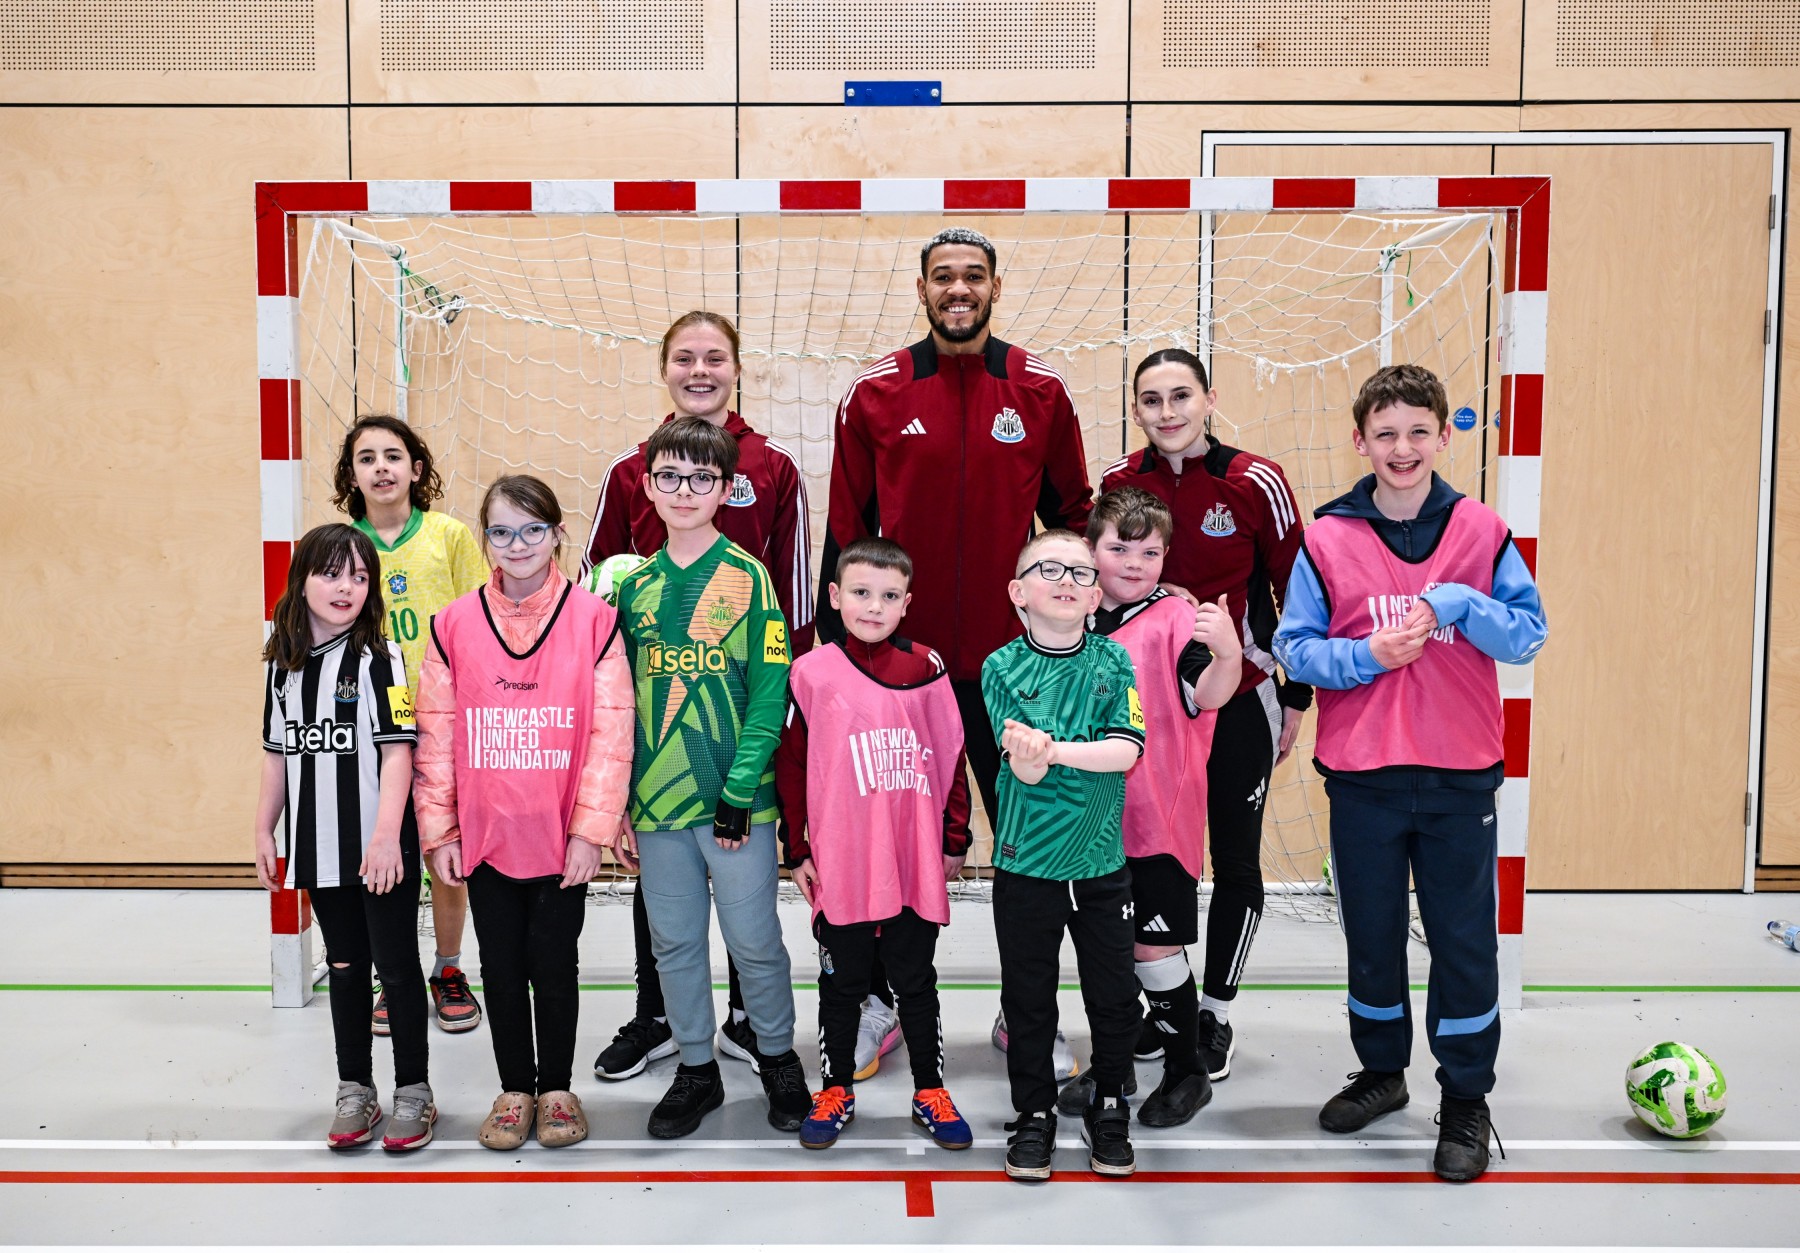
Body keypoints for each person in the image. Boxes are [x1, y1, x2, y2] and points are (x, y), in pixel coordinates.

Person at [819, 226, 1095, 1081]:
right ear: (923, 289)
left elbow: (1073, 524)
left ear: (995, 287)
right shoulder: (874, 393)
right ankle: (876, 1006)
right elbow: (844, 535)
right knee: (884, 840)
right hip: (902, 674)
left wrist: (1067, 641)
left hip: (1017, 672)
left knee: (1030, 848)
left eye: (974, 275)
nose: (959, 289)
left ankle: (1026, 1010)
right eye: (944, 276)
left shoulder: (1041, 390)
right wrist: (844, 662)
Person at [1272, 363, 1547, 1182]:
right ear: (1360, 441)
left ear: (1443, 436)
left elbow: (1527, 634)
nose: (1402, 448)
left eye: (1417, 431)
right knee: (1372, 933)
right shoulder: (1326, 537)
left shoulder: (1481, 529)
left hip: (1461, 776)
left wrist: (1464, 603)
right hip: (1364, 775)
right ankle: (1382, 1071)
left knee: (1464, 941)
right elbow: (1295, 648)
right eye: (1385, 433)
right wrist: (1365, 655)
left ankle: (1465, 1096)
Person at [578, 311, 837, 1084]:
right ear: (665, 369)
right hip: (654, 751)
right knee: (669, 912)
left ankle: (758, 1031)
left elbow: (792, 603)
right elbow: (593, 614)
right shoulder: (629, 469)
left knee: (751, 917)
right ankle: (662, 1020)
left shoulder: (774, 468)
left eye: (715, 357)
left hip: (744, 723)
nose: (700, 370)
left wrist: (783, 712)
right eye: (684, 357)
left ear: (737, 369)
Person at [1100, 347, 1312, 1081]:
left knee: (1235, 857)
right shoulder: (1118, 482)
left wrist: (1294, 694)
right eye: (1151, 399)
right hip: (1146, 710)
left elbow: (1298, 591)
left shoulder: (1255, 480)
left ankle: (1214, 1011)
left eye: (1181, 395)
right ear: (1136, 410)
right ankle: (1160, 1010)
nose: (1168, 412)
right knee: (1143, 855)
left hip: (1238, 694)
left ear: (1209, 399)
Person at [413, 475, 635, 1150]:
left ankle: (557, 1089)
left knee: (555, 964)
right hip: (487, 836)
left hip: (561, 836)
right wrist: (441, 830)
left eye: (533, 529)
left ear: (557, 534)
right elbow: (436, 734)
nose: (518, 544)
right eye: (503, 531)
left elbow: (611, 731)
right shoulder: (453, 624)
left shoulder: (593, 619)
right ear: (485, 539)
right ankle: (514, 1088)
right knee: (501, 967)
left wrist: (591, 830)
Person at [612, 417, 811, 1140]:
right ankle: (697, 1067)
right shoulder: (632, 588)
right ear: (648, 486)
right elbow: (617, 702)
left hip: (737, 803)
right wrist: (617, 802)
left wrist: (741, 789)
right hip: (656, 803)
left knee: (754, 940)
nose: (685, 490)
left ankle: (778, 1055)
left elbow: (770, 691)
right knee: (674, 942)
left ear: (726, 489)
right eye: (670, 476)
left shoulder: (749, 577)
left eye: (702, 478)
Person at [774, 537, 975, 1151]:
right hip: (844, 857)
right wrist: (796, 847)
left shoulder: (927, 667)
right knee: (843, 984)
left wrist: (955, 838)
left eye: (889, 596)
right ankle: (835, 1088)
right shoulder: (810, 672)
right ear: (835, 597)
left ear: (907, 603)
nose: (874, 606)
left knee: (915, 979)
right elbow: (792, 764)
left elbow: (951, 756)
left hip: (912, 855)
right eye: (861, 593)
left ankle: (930, 1089)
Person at [1052, 488, 1242, 1128]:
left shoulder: (1176, 618)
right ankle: (1115, 1067)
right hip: (1085, 824)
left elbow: (1208, 692)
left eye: (1150, 552)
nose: (1134, 563)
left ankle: (1187, 1071)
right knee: (1106, 953)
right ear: (1091, 549)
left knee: (1154, 952)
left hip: (1155, 820)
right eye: (1119, 549)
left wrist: (1229, 654)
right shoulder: (1071, 616)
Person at [253, 523, 434, 1151]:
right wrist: (263, 829)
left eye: (360, 576)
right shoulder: (281, 665)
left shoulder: (383, 658)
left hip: (380, 850)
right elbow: (276, 754)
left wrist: (385, 837)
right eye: (331, 573)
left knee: (397, 968)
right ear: (301, 580)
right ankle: (355, 1088)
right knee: (345, 966)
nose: (346, 587)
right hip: (318, 848)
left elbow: (398, 753)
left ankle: (414, 1091)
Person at [983, 530, 1145, 1182]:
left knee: (1114, 995)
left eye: (1081, 572)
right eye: (1048, 569)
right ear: (1018, 592)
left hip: (1102, 866)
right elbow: (1020, 771)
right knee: (1029, 998)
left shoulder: (1114, 660)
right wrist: (1032, 758)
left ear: (1096, 597)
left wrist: (1050, 749)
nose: (1067, 580)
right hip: (1027, 868)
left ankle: (1109, 1102)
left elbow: (1126, 750)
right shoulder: (1001, 667)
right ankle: (1034, 1113)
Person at [333, 415, 487, 1037]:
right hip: (369, 729)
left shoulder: (449, 537)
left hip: (445, 723)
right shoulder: (341, 546)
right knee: (382, 855)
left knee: (443, 851)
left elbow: (480, 625)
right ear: (352, 475)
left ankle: (448, 969)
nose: (381, 467)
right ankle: (389, 975)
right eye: (366, 458)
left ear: (416, 469)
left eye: (393, 456)